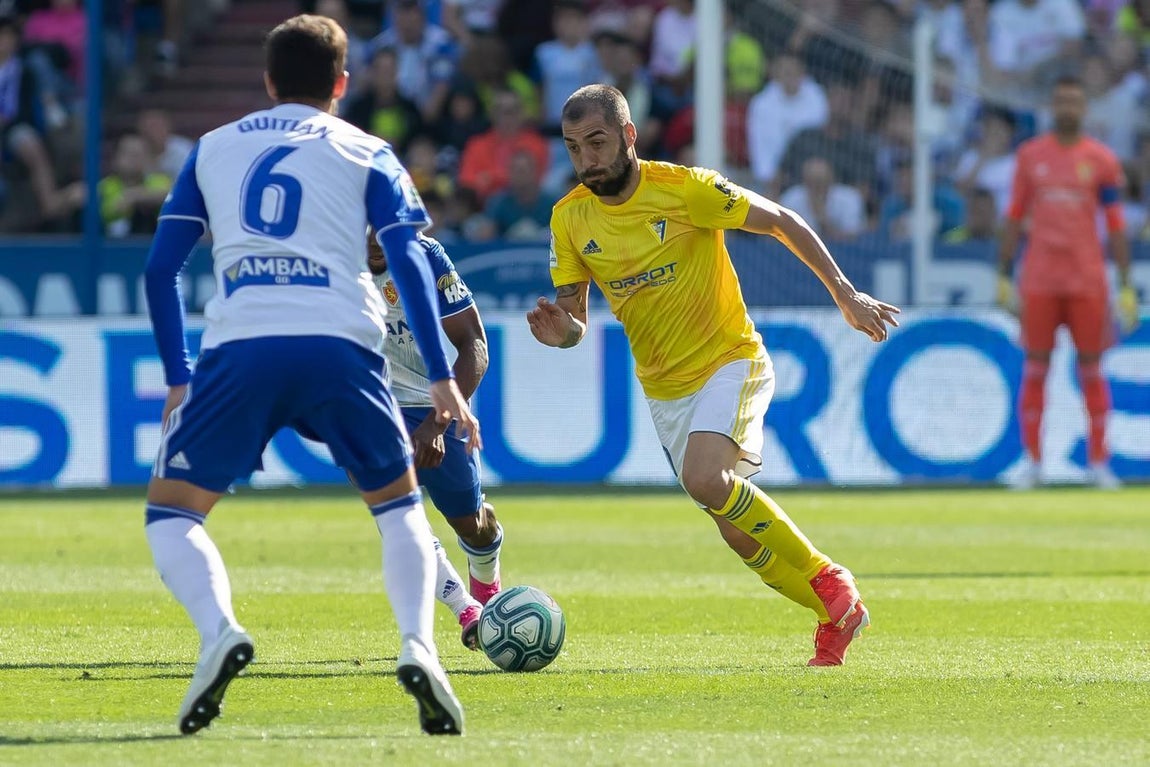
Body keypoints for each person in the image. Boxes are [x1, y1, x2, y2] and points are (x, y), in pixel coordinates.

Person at [142, 15, 478, 736]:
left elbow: (159, 268)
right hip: (342, 346)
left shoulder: (212, 148)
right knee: (399, 510)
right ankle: (421, 647)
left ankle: (219, 632)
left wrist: (179, 374)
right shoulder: (370, 150)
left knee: (173, 514)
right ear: (342, 85)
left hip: (242, 347)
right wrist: (443, 376)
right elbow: (410, 259)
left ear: (267, 82)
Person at [528, 84, 899, 667]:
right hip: (664, 389)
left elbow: (781, 220)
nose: (586, 159)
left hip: (731, 358)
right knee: (736, 531)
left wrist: (846, 296)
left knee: (707, 479)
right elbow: (576, 318)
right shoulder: (569, 218)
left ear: (629, 136)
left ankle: (831, 580)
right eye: (574, 147)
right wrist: (565, 333)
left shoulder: (685, 190)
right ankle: (836, 617)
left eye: (597, 142)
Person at [998, 74, 1140, 491]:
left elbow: (1115, 226)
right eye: (1061, 101)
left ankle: (1098, 462)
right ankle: (1033, 463)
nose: (1067, 108)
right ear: (1052, 107)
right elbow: (1013, 216)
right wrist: (1004, 275)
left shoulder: (1102, 160)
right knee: (1036, 368)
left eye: (1074, 101)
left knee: (1093, 369)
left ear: (1084, 108)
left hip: (1087, 280)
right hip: (1040, 278)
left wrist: (1127, 285)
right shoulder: (1030, 157)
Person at [367, 231, 502, 650]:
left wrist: (437, 422)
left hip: (431, 402)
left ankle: (487, 581)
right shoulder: (328, 258)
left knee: (472, 524)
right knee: (397, 516)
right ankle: (467, 609)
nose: (370, 233)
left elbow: (474, 343)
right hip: (368, 405)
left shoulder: (425, 257)